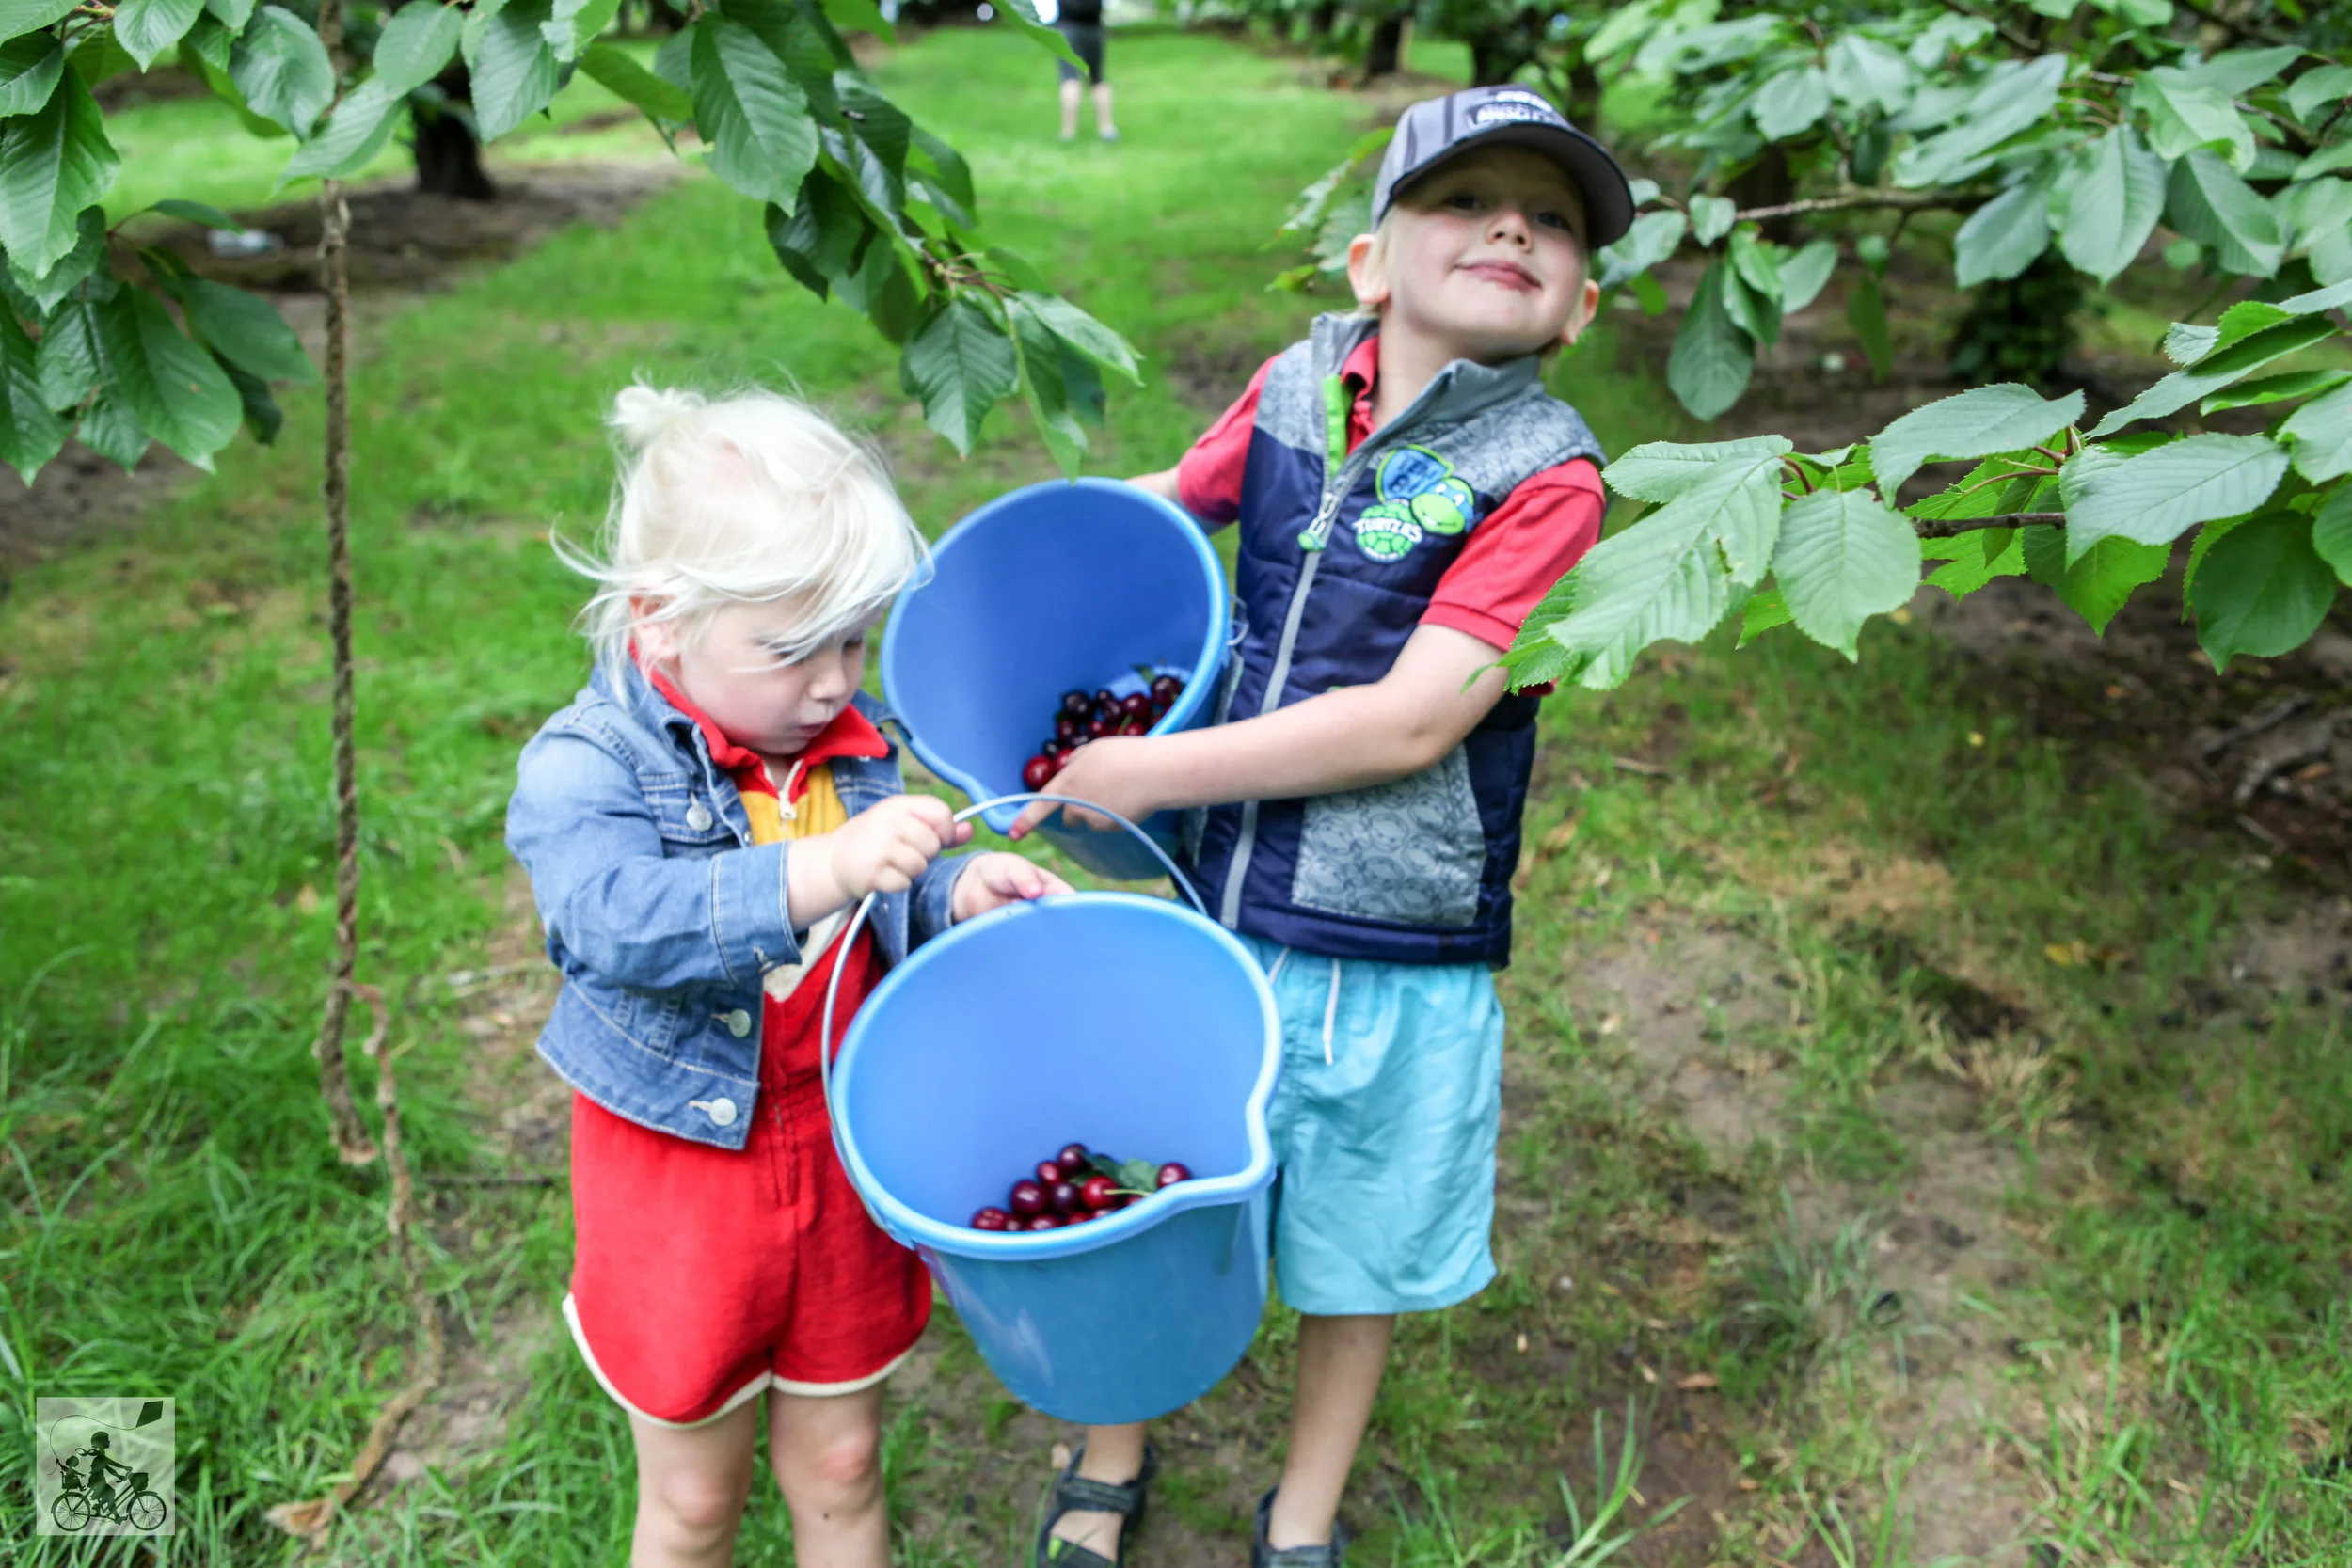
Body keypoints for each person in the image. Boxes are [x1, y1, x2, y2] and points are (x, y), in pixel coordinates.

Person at [1009, 85, 1636, 1568]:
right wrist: (1041, 570)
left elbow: (1417, 719)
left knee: (1352, 1235)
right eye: (1466, 199)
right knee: (1155, 1177)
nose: (1509, 226)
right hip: (1209, 896)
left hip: (1384, 938)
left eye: (1550, 220)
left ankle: (1300, 1511)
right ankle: (1116, 1435)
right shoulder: (1298, 385)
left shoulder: (1549, 474)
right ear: (1371, 263)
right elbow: (1169, 506)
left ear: (1580, 306)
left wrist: (1155, 771)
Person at [508, 384, 1071, 1568]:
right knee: (694, 1500)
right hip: (679, 1172)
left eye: (853, 641)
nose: (830, 681)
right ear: (660, 621)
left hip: (835, 1147)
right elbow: (613, 919)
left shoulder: (847, 741)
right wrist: (815, 867)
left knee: (842, 1461)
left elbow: (883, 886)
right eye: (791, 647)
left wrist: (952, 892)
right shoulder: (585, 764)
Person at [1053, 0, 1117, 144]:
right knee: (1098, 79)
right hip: (1093, 28)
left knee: (1070, 77)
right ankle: (1107, 129)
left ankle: (1068, 133)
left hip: (1068, 27)